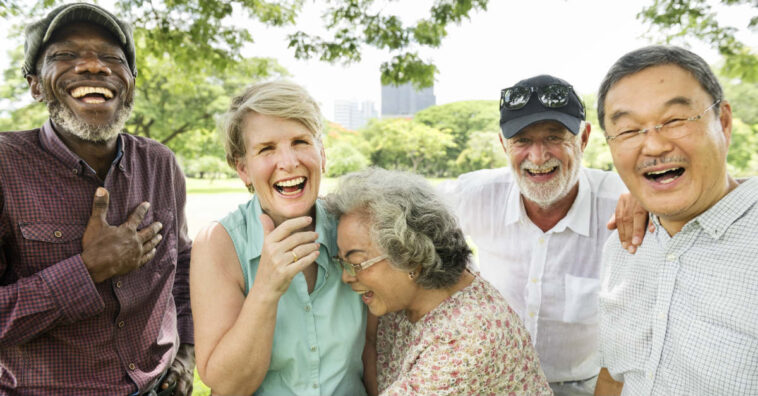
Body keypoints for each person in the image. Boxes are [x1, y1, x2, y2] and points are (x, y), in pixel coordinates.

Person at [0, 3, 194, 395]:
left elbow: (183, 269)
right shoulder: (4, 166)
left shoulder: (160, 164)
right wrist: (86, 271)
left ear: (131, 83)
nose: (94, 67)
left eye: (111, 57)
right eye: (65, 55)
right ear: (35, 84)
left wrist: (187, 353)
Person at [439, 74, 631, 395]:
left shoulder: (622, 203)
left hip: (582, 386)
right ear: (503, 144)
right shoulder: (477, 194)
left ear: (583, 139)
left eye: (554, 138)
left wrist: (650, 200)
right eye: (522, 141)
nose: (538, 157)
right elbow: (402, 211)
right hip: (494, 382)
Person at [595, 45, 758, 395]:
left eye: (674, 120)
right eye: (627, 130)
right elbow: (614, 375)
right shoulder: (623, 245)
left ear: (724, 122)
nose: (653, 146)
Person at [190, 80, 367, 396]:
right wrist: (266, 288)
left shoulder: (354, 227)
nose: (288, 162)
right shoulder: (218, 244)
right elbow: (228, 387)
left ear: (322, 156)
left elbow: (378, 352)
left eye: (300, 142)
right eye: (266, 148)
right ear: (243, 168)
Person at [325, 167, 552, 396]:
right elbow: (372, 343)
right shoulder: (406, 294)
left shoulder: (466, 338)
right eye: (342, 262)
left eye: (356, 263)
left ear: (409, 256)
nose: (347, 276)